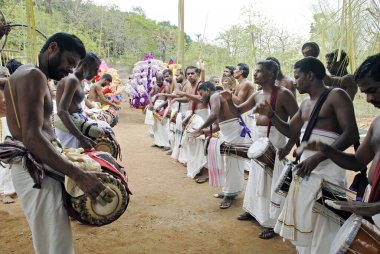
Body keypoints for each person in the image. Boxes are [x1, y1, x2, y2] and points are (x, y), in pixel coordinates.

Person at [1, 32, 114, 254]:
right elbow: (32, 137)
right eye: (70, 62)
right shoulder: (32, 75)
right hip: (35, 169)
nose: (71, 70)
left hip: (38, 165)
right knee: (55, 246)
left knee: (52, 243)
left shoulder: (28, 74)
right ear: (53, 48)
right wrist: (79, 175)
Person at [255, 57, 359, 253]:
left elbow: (351, 133)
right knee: (307, 219)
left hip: (328, 170)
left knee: (326, 224)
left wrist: (317, 157)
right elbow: (290, 131)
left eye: (297, 76)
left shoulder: (336, 95)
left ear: (310, 75)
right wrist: (271, 115)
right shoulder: (304, 104)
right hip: (308, 171)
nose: (295, 81)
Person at [302, 53, 380, 229]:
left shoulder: (338, 91)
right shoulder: (377, 125)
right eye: (365, 93)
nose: (368, 99)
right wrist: (326, 150)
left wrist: (374, 207)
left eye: (372, 90)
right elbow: (356, 162)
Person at [224, 60, 298, 238]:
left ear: (271, 74)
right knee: (257, 177)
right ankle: (254, 211)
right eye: (255, 71)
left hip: (276, 140)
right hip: (259, 139)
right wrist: (229, 100)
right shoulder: (257, 95)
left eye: (258, 71)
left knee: (271, 183)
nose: (255, 74)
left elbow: (297, 124)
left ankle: (272, 222)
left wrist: (288, 147)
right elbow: (238, 110)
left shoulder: (284, 94)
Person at [192, 81, 252, 208]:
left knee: (232, 165)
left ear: (208, 90)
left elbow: (214, 116)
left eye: (202, 94)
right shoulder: (217, 97)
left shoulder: (214, 96)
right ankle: (228, 190)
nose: (201, 98)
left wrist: (200, 128)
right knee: (228, 164)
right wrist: (203, 131)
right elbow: (220, 125)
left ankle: (229, 195)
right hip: (230, 132)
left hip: (234, 133)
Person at [55, 52, 102, 149]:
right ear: (85, 65)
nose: (96, 73)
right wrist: (80, 137)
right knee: (73, 160)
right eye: (95, 69)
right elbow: (62, 111)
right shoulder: (72, 80)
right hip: (69, 129)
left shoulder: (80, 81)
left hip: (75, 125)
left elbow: (76, 105)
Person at [175, 66, 209, 183]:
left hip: (203, 116)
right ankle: (197, 168)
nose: (190, 75)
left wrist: (184, 94)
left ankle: (205, 172)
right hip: (195, 116)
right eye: (188, 74)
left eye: (192, 73)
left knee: (203, 143)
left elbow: (202, 99)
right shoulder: (191, 86)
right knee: (194, 144)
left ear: (198, 74)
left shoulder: (200, 85)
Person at [148, 72, 170, 150]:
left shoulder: (166, 87)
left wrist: (161, 106)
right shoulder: (155, 86)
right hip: (155, 106)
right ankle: (158, 142)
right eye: (157, 81)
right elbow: (149, 95)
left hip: (162, 107)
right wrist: (151, 104)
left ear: (163, 79)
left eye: (160, 81)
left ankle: (166, 144)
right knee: (155, 126)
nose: (158, 82)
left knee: (163, 125)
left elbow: (169, 100)